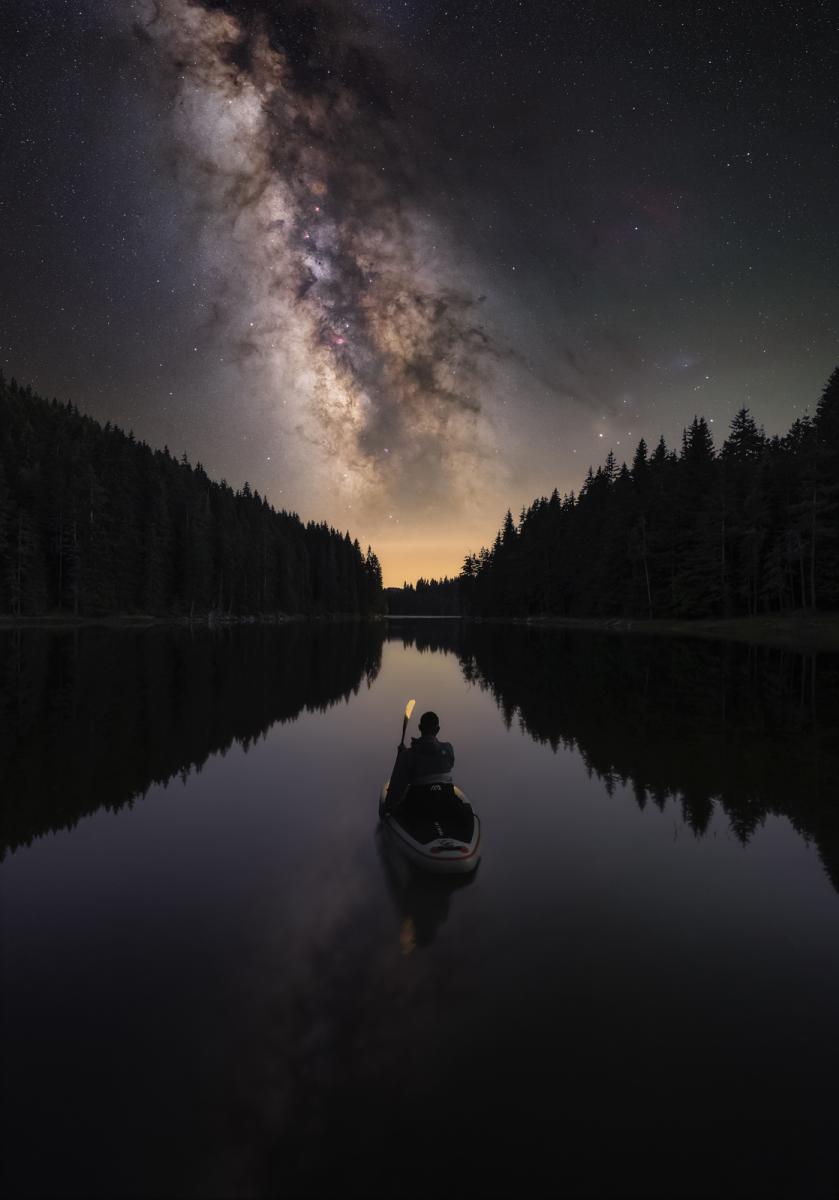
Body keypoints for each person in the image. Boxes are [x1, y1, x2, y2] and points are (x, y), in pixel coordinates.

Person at [385, 710, 455, 811]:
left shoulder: (407, 755)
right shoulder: (448, 749)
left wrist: (401, 756)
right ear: (438, 729)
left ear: (419, 728)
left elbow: (397, 785)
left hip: (420, 804)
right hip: (446, 798)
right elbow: (450, 764)